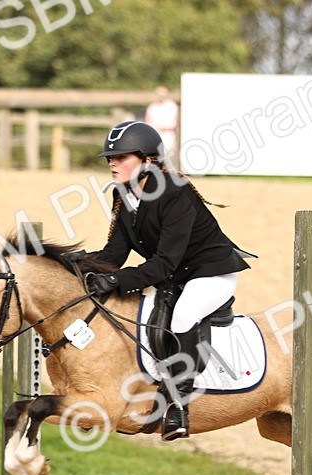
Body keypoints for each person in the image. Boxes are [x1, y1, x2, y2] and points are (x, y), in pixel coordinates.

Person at [82, 121, 250, 442]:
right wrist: (80, 267)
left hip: (210, 272)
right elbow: (114, 253)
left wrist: (116, 280)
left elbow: (162, 264)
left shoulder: (175, 194)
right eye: (110, 159)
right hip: (174, 276)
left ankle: (177, 404)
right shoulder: (124, 194)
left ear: (148, 161)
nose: (112, 164)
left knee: (184, 314)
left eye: (121, 158)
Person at [143, 86, 179, 164]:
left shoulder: (171, 105)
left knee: (168, 155)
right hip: (156, 133)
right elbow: (148, 120)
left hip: (168, 133)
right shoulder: (152, 107)